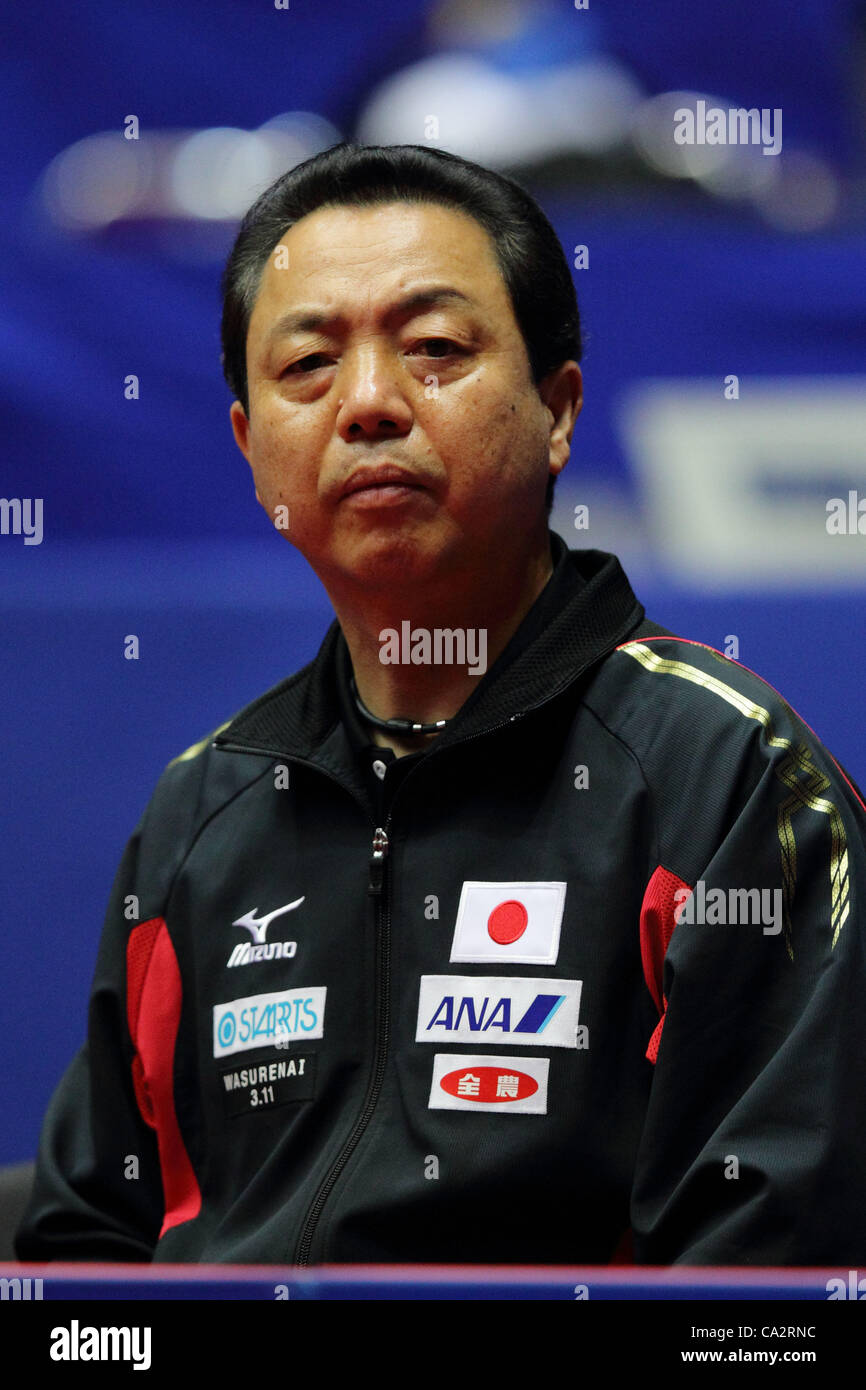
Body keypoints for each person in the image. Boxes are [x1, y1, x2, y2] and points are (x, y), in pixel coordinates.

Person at [16, 144, 866, 1267]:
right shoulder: (204, 812)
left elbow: (764, 1284)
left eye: (433, 349)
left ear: (557, 409)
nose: (368, 403)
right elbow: (87, 1245)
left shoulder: (728, 780)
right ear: (250, 446)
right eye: (308, 362)